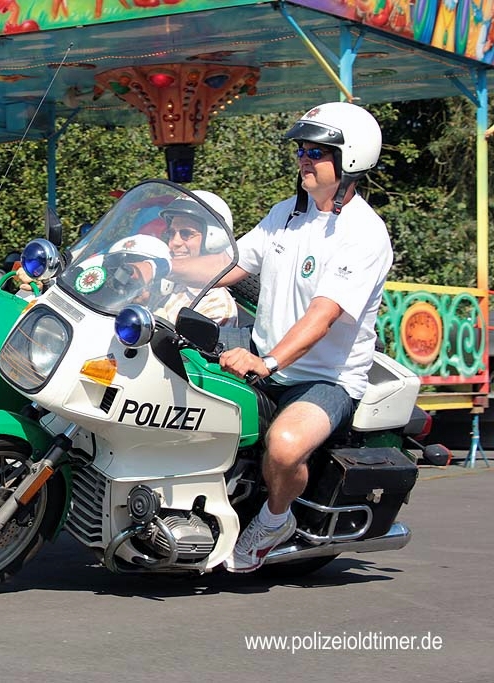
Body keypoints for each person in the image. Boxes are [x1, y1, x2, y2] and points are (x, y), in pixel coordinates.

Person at [172, 102, 391, 572]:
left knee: (286, 446)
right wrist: (152, 268)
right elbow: (227, 267)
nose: (304, 159)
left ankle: (275, 520)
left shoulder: (364, 234)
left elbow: (323, 315)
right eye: (300, 149)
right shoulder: (286, 214)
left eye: (317, 150)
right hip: (266, 363)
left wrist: (268, 362)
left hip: (324, 379)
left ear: (351, 158)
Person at [154, 190, 238, 326]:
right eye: (171, 233)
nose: (173, 243)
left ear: (215, 240)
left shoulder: (216, 306)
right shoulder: (171, 283)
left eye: (186, 234)